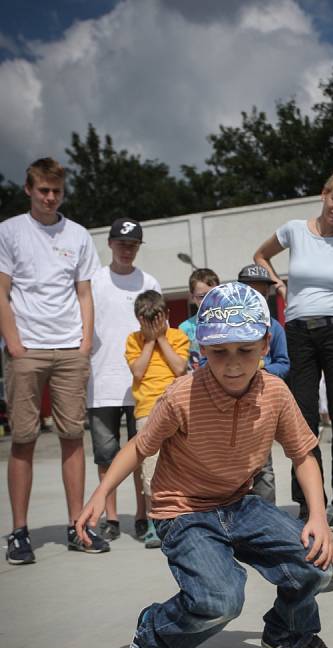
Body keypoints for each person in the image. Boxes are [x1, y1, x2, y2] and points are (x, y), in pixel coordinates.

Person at [76, 282, 333, 648]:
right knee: (219, 601)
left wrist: (319, 517)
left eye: (245, 351)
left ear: (265, 345)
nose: (232, 364)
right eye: (220, 352)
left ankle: (289, 633)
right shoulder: (182, 395)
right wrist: (100, 495)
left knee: (318, 563)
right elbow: (138, 446)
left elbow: (304, 455)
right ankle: (151, 636)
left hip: (238, 503)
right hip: (183, 511)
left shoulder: (275, 393)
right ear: (202, 346)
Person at [254, 166, 333, 529]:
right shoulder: (294, 230)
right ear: (324, 193)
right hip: (298, 332)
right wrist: (279, 286)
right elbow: (260, 256)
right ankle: (311, 504)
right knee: (302, 419)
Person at [0, 157, 109, 564]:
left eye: (56, 191)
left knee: (70, 438)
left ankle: (77, 526)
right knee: (24, 440)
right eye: (43, 190)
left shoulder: (78, 235)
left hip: (68, 350)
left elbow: (85, 294)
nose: (49, 198)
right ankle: (20, 532)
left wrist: (83, 345)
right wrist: (14, 344)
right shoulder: (9, 232)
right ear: (28, 189)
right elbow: (2, 291)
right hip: (25, 349)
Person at [86, 218, 161, 541]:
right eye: (121, 244)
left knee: (142, 454)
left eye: (133, 245)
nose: (127, 250)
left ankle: (144, 515)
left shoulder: (150, 282)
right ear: (110, 244)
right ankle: (112, 518)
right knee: (107, 455)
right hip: (101, 382)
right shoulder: (93, 282)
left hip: (143, 386)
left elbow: (158, 332)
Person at [125, 290, 189, 548]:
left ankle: (182, 517)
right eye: (146, 320)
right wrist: (149, 341)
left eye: (157, 318)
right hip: (146, 410)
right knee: (149, 470)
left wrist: (161, 338)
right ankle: (154, 524)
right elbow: (138, 371)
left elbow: (180, 368)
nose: (151, 324)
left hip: (176, 406)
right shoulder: (133, 340)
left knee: (182, 464)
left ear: (167, 316)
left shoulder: (177, 336)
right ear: (138, 320)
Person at [236, 263, 290, 503]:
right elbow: (207, 362)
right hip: (229, 405)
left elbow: (284, 363)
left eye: (262, 291)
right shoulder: (228, 325)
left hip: (260, 404)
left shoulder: (274, 328)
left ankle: (267, 520)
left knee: (263, 467)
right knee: (231, 467)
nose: (257, 297)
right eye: (251, 291)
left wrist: (262, 369)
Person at [178, 268, 220, 370]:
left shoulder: (230, 321)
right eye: (202, 296)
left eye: (212, 294)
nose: (208, 300)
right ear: (192, 297)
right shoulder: (184, 329)